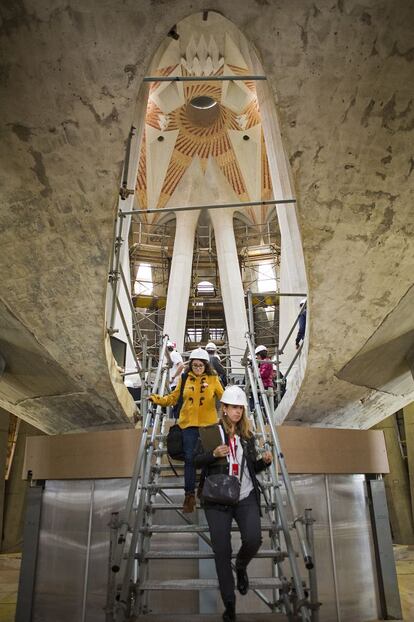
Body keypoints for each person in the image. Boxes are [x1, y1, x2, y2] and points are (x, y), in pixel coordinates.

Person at [194, 385, 272, 622]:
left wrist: (264, 462)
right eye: (233, 407)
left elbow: (250, 467)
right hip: (217, 499)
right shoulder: (210, 432)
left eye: (240, 408)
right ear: (224, 409)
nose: (237, 412)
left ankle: (241, 566)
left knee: (253, 539)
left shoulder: (247, 437)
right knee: (222, 551)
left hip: (245, 495)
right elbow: (196, 461)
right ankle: (230, 604)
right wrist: (213, 454)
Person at [149, 348, 223, 513]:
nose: (197, 367)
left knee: (209, 458)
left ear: (206, 365)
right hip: (188, 425)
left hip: (208, 425)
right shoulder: (184, 378)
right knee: (190, 458)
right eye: (194, 364)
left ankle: (204, 489)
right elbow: (174, 398)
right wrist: (157, 400)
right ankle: (189, 495)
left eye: (200, 365)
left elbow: (223, 397)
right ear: (191, 365)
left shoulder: (213, 379)